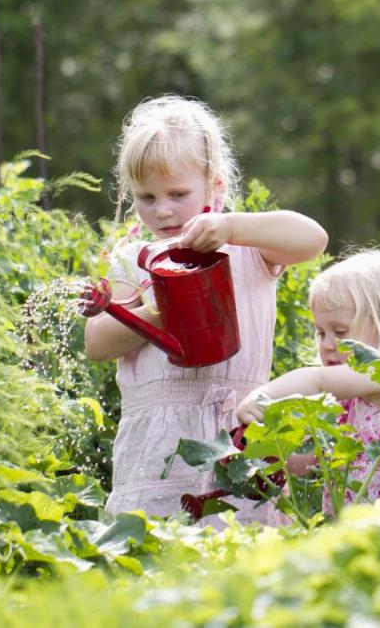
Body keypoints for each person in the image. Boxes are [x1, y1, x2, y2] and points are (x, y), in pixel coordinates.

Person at [84, 95, 327, 520]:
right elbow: (97, 342)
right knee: (154, 551)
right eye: (146, 197)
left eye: (178, 193)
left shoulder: (246, 248)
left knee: (239, 552)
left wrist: (231, 227)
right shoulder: (135, 257)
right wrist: (157, 312)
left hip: (239, 430)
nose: (162, 210)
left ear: (214, 184)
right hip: (159, 442)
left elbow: (313, 238)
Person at [235, 249, 380, 506]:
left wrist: (260, 397)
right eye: (321, 333)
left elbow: (317, 379)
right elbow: (307, 462)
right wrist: (267, 449)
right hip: (355, 530)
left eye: (340, 332)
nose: (328, 344)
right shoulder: (350, 401)